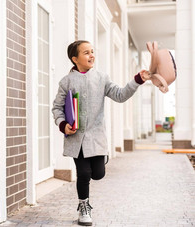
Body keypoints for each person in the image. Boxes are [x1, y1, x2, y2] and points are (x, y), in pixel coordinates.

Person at [52, 40, 147, 226]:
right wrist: (63, 124)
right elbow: (57, 108)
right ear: (75, 59)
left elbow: (120, 95)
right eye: (86, 52)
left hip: (96, 138)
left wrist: (137, 80)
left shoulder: (102, 78)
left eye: (92, 51)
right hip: (76, 138)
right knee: (84, 173)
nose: (91, 55)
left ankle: (102, 158)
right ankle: (84, 208)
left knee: (98, 174)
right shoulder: (66, 81)